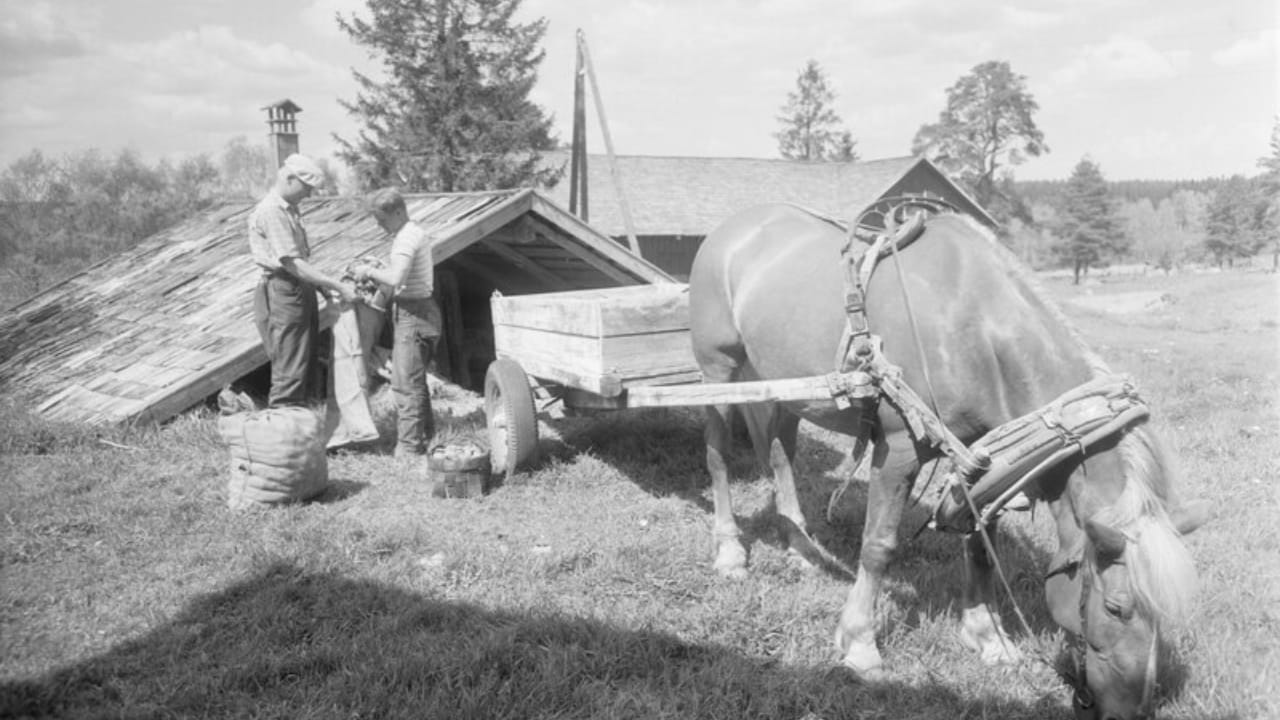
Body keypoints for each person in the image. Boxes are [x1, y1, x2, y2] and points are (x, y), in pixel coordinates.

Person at [247, 153, 356, 407]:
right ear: (290, 179)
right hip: (283, 289)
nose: (308, 194)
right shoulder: (272, 211)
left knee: (305, 361)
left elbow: (300, 263)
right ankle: (283, 422)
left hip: (297, 287)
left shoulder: (290, 211)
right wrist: (337, 286)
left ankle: (302, 422)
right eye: (306, 188)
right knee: (290, 365)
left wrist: (324, 291)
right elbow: (292, 264)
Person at [353, 187, 442, 457]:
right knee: (415, 380)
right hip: (419, 312)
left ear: (399, 212)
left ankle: (409, 448)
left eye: (382, 219)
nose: (380, 226)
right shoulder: (412, 234)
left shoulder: (406, 238)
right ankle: (426, 436)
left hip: (414, 315)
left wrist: (368, 271)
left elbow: (396, 278)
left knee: (405, 384)